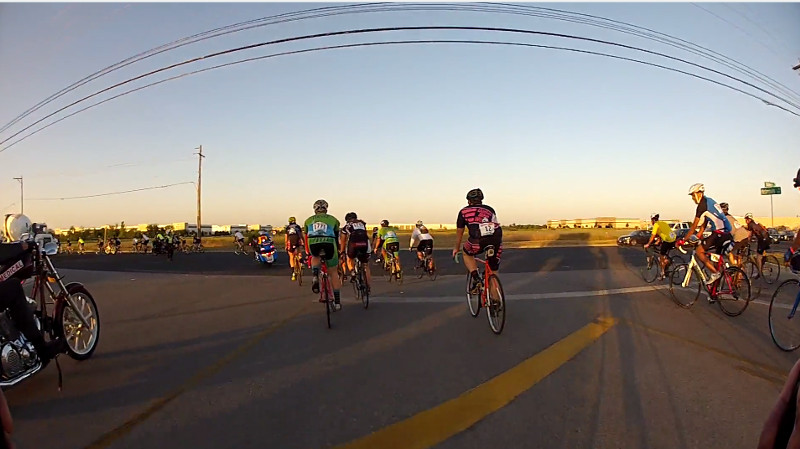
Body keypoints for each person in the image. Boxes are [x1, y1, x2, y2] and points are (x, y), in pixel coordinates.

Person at [677, 183, 731, 287]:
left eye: (693, 195)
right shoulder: (709, 201)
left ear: (699, 193)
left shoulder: (702, 205)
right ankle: (715, 292)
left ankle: (715, 273)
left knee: (699, 251)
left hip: (720, 232)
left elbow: (693, 227)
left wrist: (683, 241)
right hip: (725, 232)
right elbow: (704, 224)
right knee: (715, 261)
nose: (692, 198)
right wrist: (698, 237)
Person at [452, 188, 503, 294]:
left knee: (466, 253)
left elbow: (460, 232)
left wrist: (456, 248)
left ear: (469, 201)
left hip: (477, 240)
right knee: (493, 271)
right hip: (496, 240)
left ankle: (476, 278)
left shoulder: (463, 211)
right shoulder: (490, 209)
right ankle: (496, 302)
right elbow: (495, 225)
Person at [304, 200, 342, 309]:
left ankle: (315, 275)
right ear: (326, 208)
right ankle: (338, 302)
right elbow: (336, 236)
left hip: (313, 242)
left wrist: (307, 251)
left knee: (315, 256)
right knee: (333, 272)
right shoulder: (333, 219)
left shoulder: (308, 220)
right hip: (329, 243)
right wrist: (339, 250)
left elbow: (306, 236)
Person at [339, 212, 372, 290]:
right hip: (365, 244)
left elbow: (343, 240)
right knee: (366, 265)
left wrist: (342, 251)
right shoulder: (362, 224)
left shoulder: (346, 226)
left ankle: (352, 271)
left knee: (349, 258)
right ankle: (368, 285)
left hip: (353, 244)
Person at [643, 213, 676, 280]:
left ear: (653, 220)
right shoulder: (663, 223)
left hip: (667, 240)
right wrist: (658, 240)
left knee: (661, 257)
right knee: (664, 255)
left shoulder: (656, 225)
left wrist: (648, 244)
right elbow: (663, 232)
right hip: (673, 239)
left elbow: (653, 236)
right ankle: (668, 262)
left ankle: (662, 273)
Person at [719, 202, 750, 268]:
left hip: (739, 239)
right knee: (739, 257)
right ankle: (740, 272)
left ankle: (735, 268)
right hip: (745, 237)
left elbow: (723, 232)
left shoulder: (724, 219)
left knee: (727, 251)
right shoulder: (731, 217)